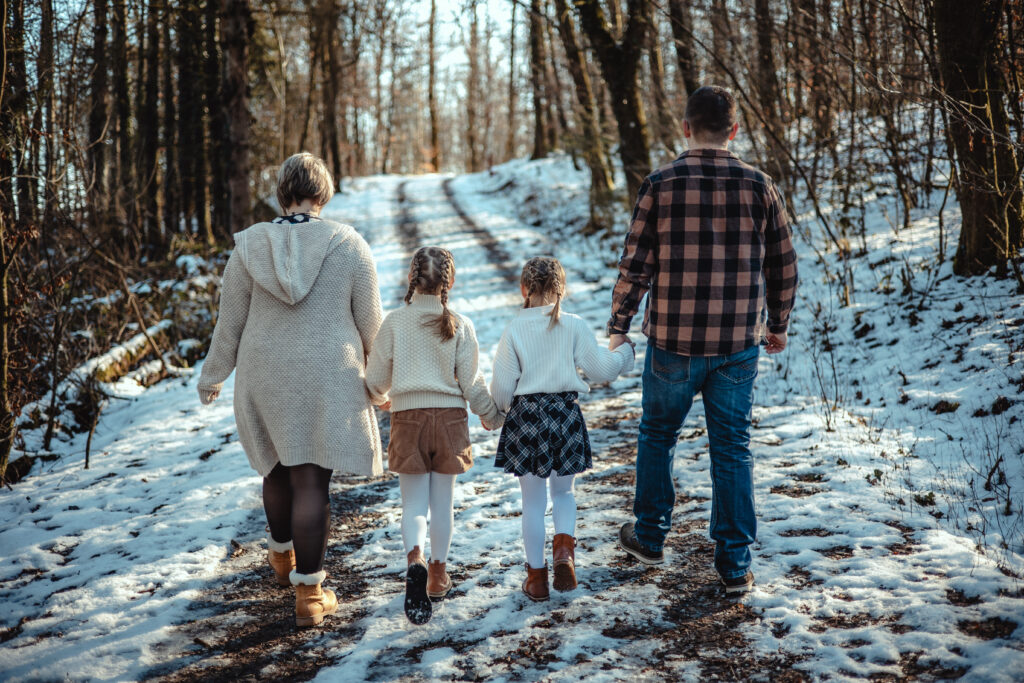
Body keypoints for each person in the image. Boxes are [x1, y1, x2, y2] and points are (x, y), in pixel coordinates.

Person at [608, 85, 798, 594]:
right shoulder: (762, 186)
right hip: (737, 343)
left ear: (685, 127)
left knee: (657, 435)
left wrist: (619, 323)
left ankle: (649, 536)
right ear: (734, 131)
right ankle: (734, 565)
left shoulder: (660, 184)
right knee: (732, 448)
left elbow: (635, 264)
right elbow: (783, 264)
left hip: (672, 343)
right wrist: (776, 324)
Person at [197, 152, 384, 627]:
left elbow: (230, 323)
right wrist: (383, 383)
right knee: (310, 480)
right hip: (325, 375)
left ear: (282, 193)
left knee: (276, 470)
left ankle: (282, 562)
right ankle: (311, 594)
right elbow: (372, 327)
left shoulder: (249, 247)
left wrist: (213, 373)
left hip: (265, 374)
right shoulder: (349, 244)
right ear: (324, 193)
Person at [365, 246, 502, 625]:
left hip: (408, 418)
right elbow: (473, 383)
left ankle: (415, 560)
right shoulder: (459, 324)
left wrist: (382, 399)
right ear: (450, 283)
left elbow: (375, 380)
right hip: (450, 421)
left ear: (411, 281)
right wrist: (491, 415)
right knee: (442, 503)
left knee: (413, 505)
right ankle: (438, 574)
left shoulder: (394, 322)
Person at [491, 257, 634, 602]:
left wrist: (499, 412)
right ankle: (564, 554)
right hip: (565, 414)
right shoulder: (573, 325)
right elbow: (601, 369)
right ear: (562, 290)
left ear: (524, 289)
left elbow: (501, 385)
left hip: (526, 419)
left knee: (533, 502)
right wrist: (625, 354)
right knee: (564, 493)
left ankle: (537, 580)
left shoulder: (514, 328)